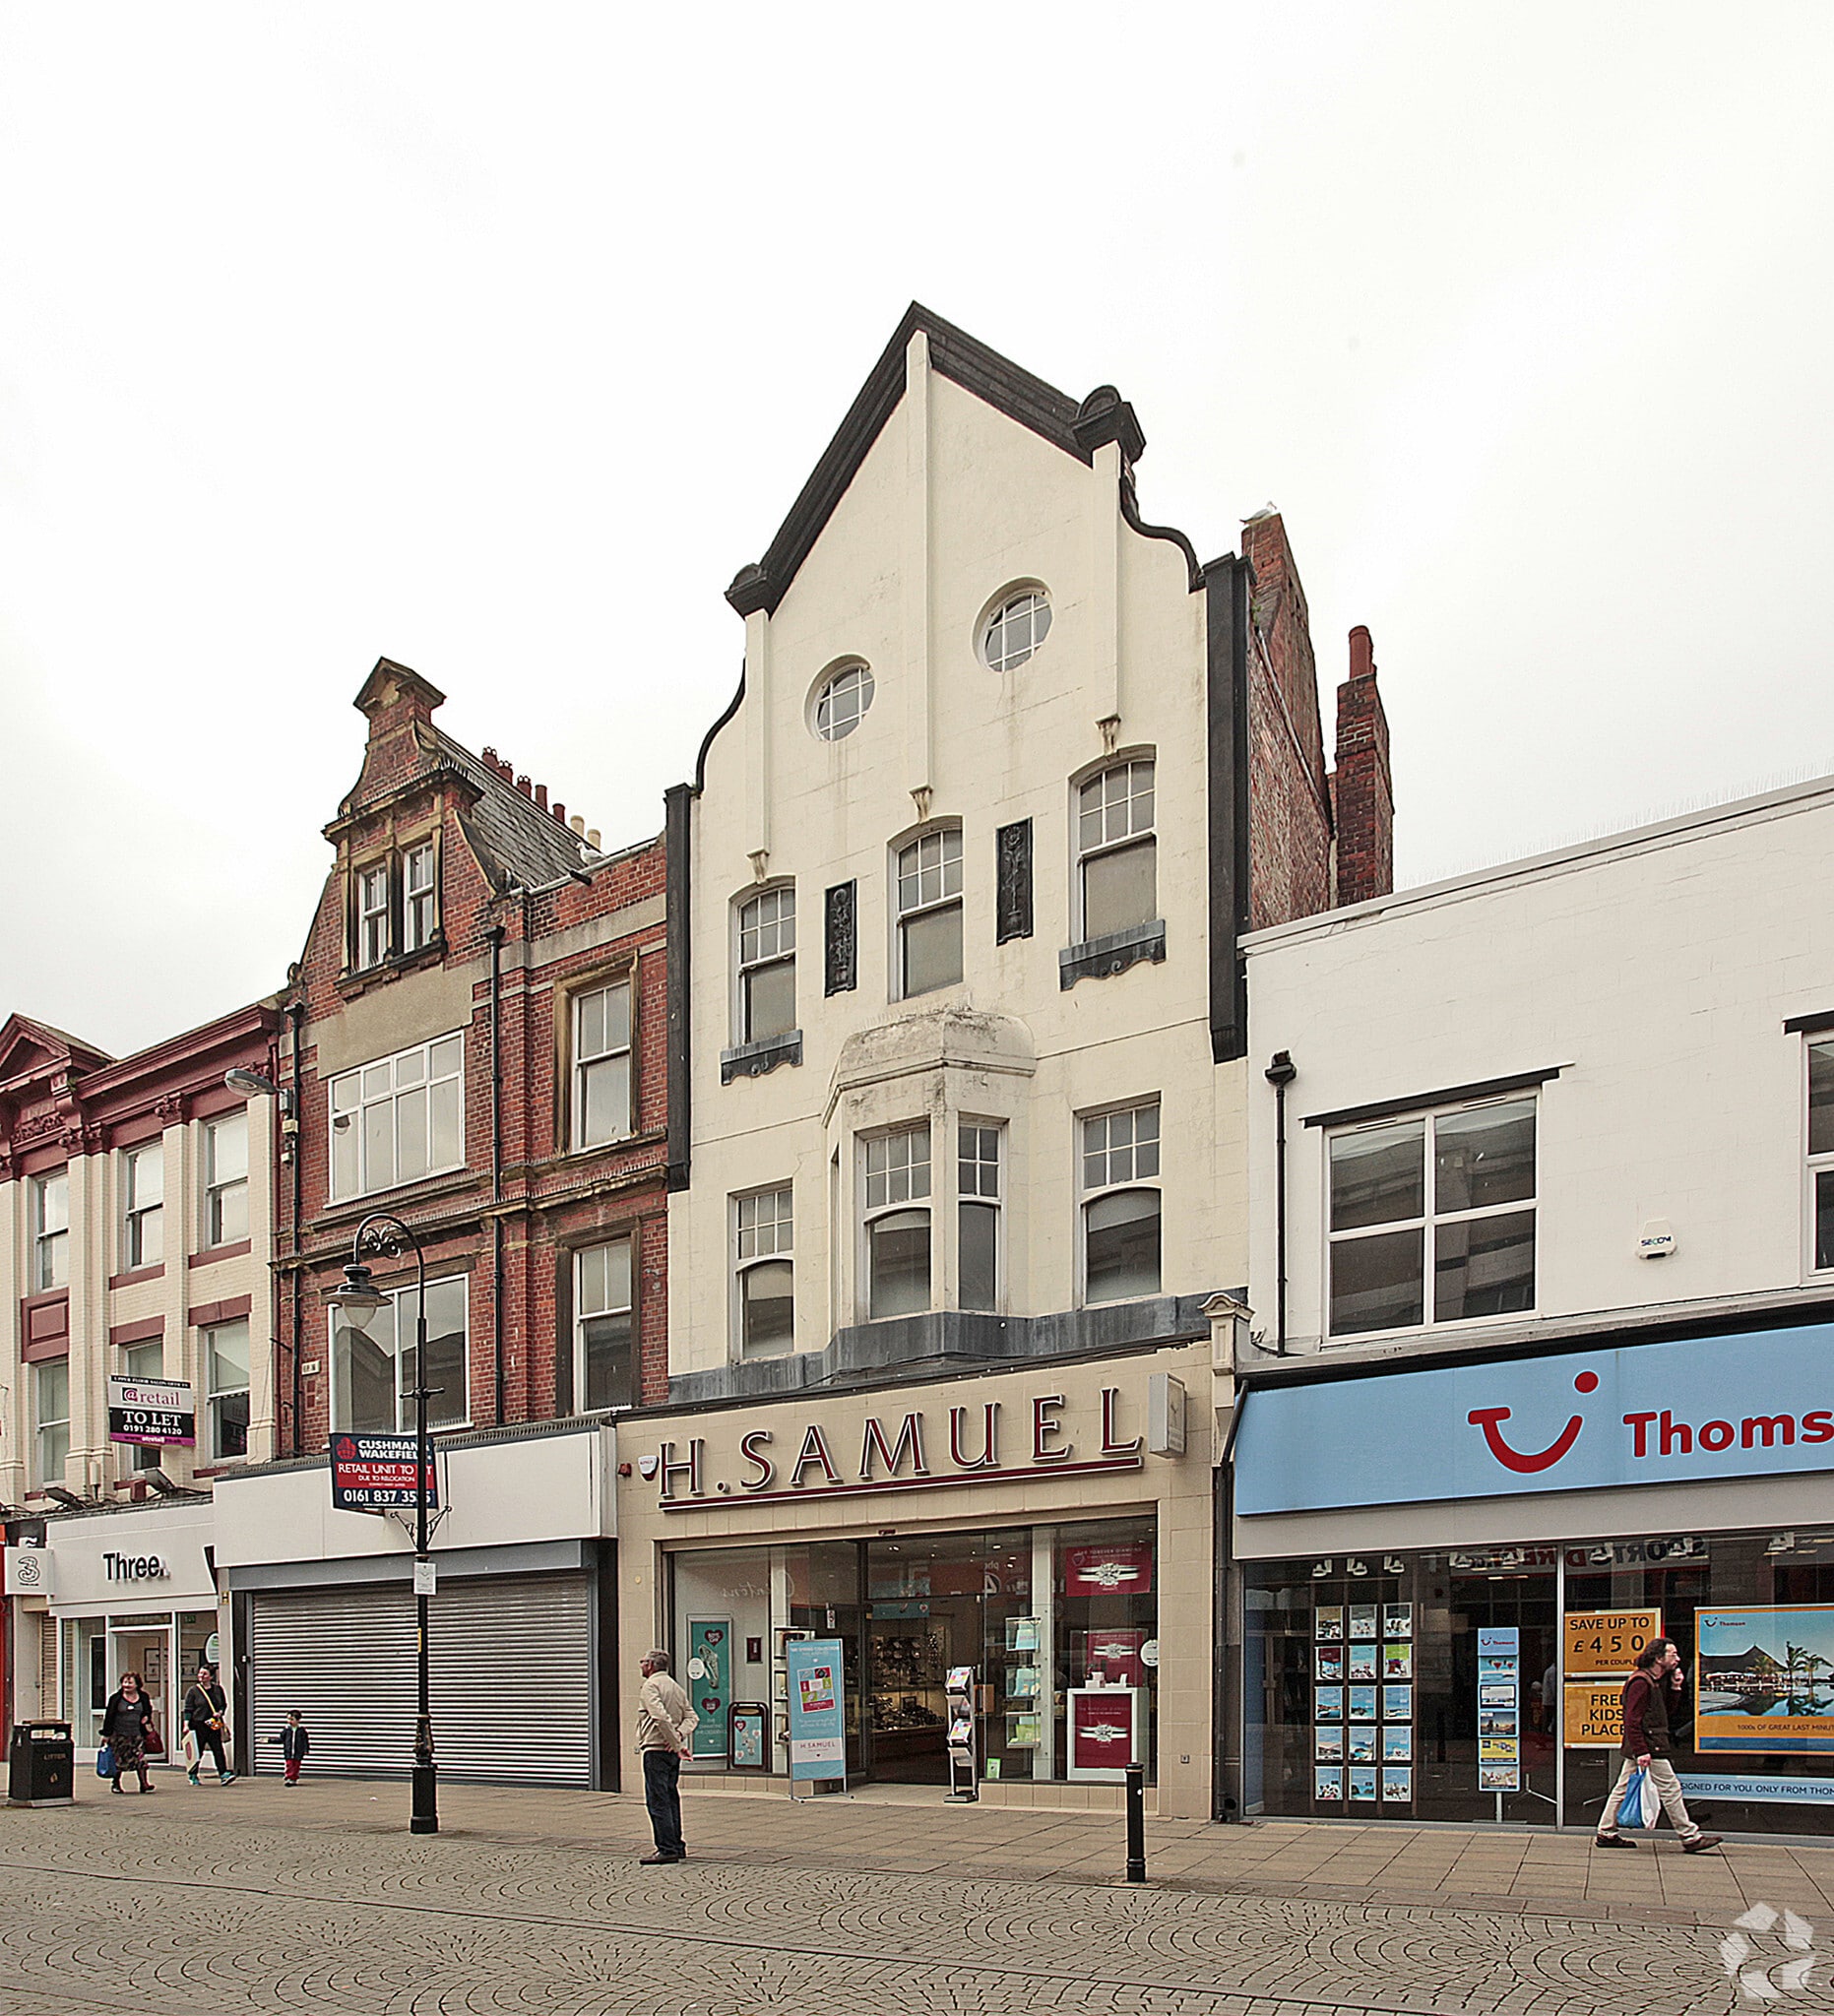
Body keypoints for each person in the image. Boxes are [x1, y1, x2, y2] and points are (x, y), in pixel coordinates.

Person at [1594, 1638, 1721, 1854]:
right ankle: (1689, 1836)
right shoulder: (1641, 1682)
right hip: (1650, 1746)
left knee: (1622, 1789)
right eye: (1673, 1654)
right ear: (1658, 1658)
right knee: (1670, 1789)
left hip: (1648, 1744)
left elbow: (1664, 1713)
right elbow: (1632, 1720)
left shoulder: (1654, 1681)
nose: (1677, 1659)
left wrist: (1676, 1687)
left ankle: (1606, 1832)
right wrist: (1642, 1750)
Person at [635, 1648, 697, 1864]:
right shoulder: (675, 1686)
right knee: (671, 1798)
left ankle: (666, 1848)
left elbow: (659, 1717)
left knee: (658, 1800)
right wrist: (679, 1736)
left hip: (656, 1750)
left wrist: (676, 1743)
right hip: (671, 1753)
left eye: (643, 1661)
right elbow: (692, 1717)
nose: (641, 1665)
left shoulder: (651, 1686)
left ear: (651, 1665)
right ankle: (677, 1845)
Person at [100, 1671, 157, 1795]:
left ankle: (144, 1784)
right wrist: (106, 1734)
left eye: (130, 1682)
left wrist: (146, 1717)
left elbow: (148, 1710)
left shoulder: (143, 1697)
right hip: (119, 1735)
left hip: (136, 1734)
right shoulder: (116, 1698)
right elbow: (109, 1716)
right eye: (125, 1682)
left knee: (140, 1759)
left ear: (137, 1684)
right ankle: (116, 1784)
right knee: (119, 1760)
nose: (127, 1685)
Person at [183, 1662, 235, 1787]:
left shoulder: (217, 1689)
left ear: (211, 1676)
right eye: (200, 1673)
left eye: (205, 1674)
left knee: (218, 1748)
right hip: (198, 1723)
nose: (201, 1676)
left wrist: (220, 1712)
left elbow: (223, 1705)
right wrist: (186, 1724)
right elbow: (188, 1709)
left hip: (213, 1722)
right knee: (198, 1750)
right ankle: (193, 1774)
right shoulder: (193, 1691)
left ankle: (223, 1773)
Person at [266, 1710, 310, 1786]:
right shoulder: (286, 1730)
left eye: (292, 1719)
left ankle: (294, 1778)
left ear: (298, 1720)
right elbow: (281, 1739)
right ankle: (289, 1777)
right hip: (288, 1752)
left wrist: (306, 1749)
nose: (290, 1721)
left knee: (296, 1766)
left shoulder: (302, 1731)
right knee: (289, 1765)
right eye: (288, 1719)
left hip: (298, 1752)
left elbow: (305, 1741)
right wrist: (270, 1740)